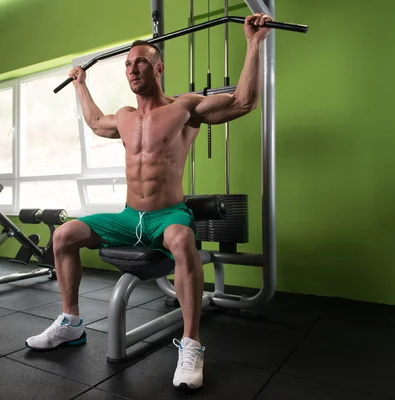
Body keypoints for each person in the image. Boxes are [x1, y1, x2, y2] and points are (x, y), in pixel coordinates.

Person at [26, 12, 273, 390]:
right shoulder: (124, 117)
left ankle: (191, 345)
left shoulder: (184, 108)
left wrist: (253, 44)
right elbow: (94, 122)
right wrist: (80, 85)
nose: (131, 68)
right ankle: (71, 324)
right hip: (129, 217)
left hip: (166, 215)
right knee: (63, 235)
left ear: (158, 68)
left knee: (181, 240)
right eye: (127, 64)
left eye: (140, 61)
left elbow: (243, 101)